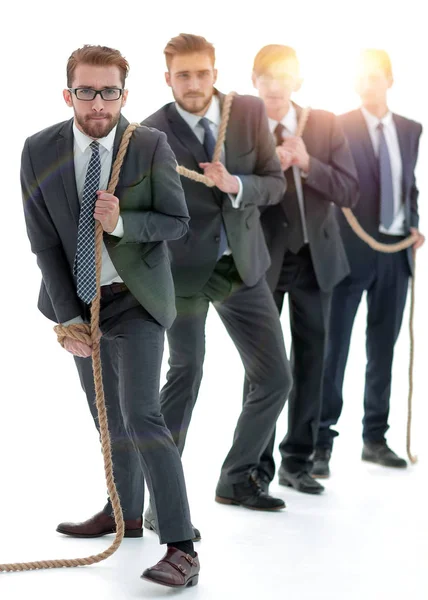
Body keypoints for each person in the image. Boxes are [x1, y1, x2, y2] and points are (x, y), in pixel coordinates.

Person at [21, 44, 200, 589]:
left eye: (110, 92)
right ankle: (121, 513)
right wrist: (69, 317)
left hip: (137, 300)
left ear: (125, 94)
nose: (98, 103)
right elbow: (44, 242)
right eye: (87, 91)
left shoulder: (148, 145)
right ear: (68, 93)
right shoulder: (37, 149)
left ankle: (182, 546)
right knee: (107, 419)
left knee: (142, 415)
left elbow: (176, 222)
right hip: (78, 302)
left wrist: (123, 222)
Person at [142, 33, 291, 524]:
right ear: (168, 79)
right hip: (182, 275)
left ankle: (236, 478)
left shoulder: (246, 113)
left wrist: (237, 186)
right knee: (185, 375)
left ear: (215, 73)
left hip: (242, 266)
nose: (193, 83)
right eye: (182, 75)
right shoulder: (150, 132)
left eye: (201, 73)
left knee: (275, 377)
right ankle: (161, 503)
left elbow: (273, 182)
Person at [249, 44, 359, 494]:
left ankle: (299, 461)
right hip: (264, 260)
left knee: (313, 360)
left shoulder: (327, 124)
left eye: (283, 78)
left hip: (318, 259)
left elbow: (350, 191)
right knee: (265, 366)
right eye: (266, 78)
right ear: (253, 81)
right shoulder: (242, 127)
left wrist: (309, 163)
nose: (274, 87)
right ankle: (255, 466)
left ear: (298, 82)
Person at [314, 49, 425, 477]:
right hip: (348, 253)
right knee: (333, 349)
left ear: (390, 81)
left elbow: (408, 185)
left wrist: (413, 223)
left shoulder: (411, 129)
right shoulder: (337, 127)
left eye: (375, 77)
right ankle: (321, 442)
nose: (368, 85)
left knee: (383, 349)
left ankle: (375, 438)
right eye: (361, 78)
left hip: (396, 256)